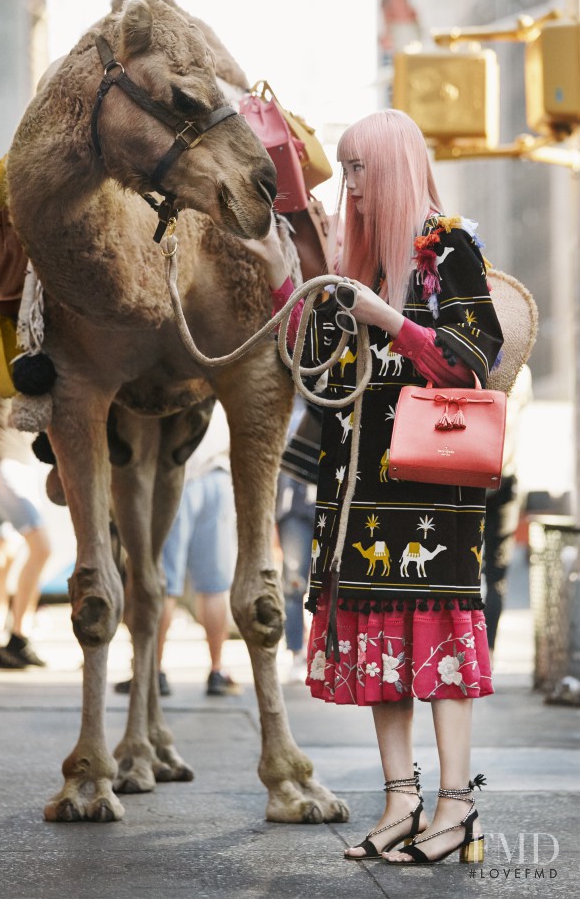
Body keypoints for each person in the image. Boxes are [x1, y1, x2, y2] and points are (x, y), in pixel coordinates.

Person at [244, 109, 503, 865]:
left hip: (431, 495)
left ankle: (456, 804)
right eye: (344, 170)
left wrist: (389, 318)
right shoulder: (355, 270)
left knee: (438, 648)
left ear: (389, 168)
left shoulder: (446, 248)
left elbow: (468, 359)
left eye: (358, 169)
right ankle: (401, 799)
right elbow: (311, 364)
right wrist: (304, 254)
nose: (348, 185)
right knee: (385, 652)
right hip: (357, 498)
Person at [115, 402, 239, 697]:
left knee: (165, 582)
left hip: (177, 477)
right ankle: (216, 671)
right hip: (218, 478)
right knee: (213, 587)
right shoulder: (224, 367)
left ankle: (152, 672)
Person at [0, 364, 52, 669]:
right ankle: (19, 635)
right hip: (5, 467)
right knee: (42, 548)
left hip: (20, 465)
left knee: (3, 555)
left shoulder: (24, 366)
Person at [482, 363, 533, 657]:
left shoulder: (473, 362)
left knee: (464, 575)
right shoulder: (521, 371)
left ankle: (473, 651)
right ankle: (488, 653)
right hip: (506, 476)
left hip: (471, 475)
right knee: (496, 576)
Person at [275, 396, 317, 682]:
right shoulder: (284, 409)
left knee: (330, 584)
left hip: (327, 504)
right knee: (293, 583)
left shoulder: (331, 395)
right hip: (293, 508)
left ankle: (322, 652)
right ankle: (295, 651)